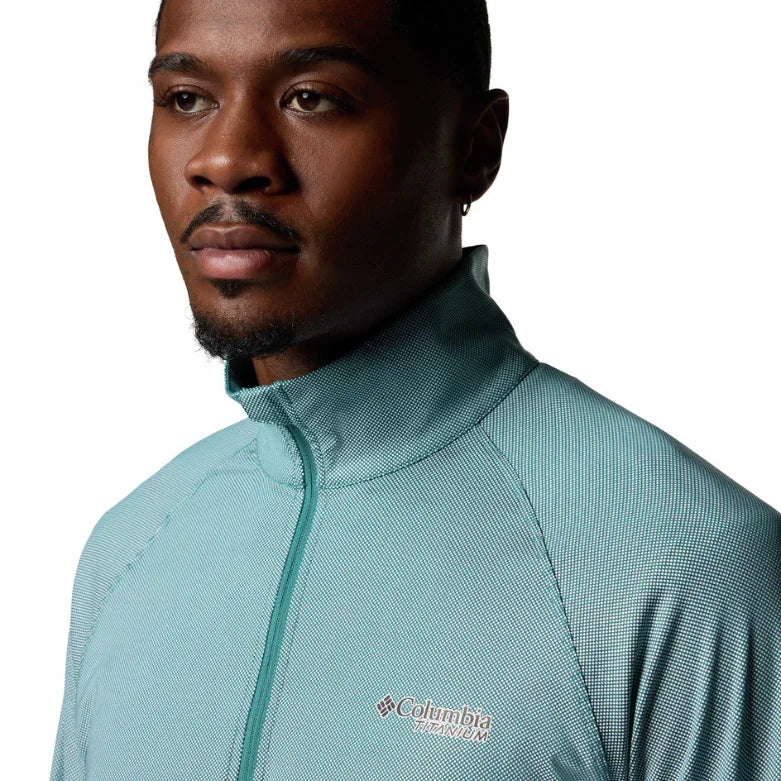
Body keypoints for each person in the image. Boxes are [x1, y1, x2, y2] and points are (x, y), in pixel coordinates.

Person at [50, 0, 780, 778]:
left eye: (312, 97)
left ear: (475, 148)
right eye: (186, 99)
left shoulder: (683, 564)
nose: (226, 159)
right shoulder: (131, 548)